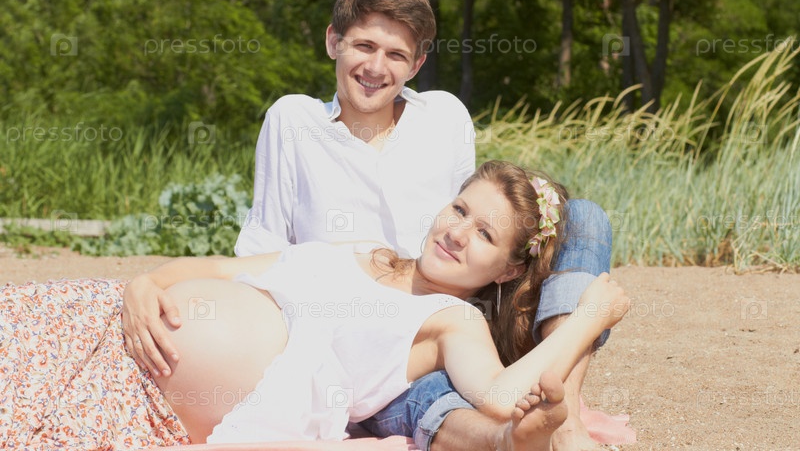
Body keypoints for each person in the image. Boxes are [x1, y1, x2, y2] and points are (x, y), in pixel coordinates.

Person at [126, 0, 614, 451]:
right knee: (428, 394)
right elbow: (263, 248)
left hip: (437, 314)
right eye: (363, 46)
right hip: (353, 325)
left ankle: (565, 414)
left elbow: (473, 216)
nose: (376, 67)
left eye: (396, 54)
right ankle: (500, 436)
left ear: (417, 64)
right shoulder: (293, 120)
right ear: (333, 41)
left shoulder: (444, 118)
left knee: (584, 217)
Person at [123, 160, 628, 450]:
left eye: (484, 234)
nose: (456, 233)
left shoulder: (454, 320)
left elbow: (498, 396)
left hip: (142, 400)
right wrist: (147, 283)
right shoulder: (363, 249)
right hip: (123, 330)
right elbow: (219, 268)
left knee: (586, 217)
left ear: (507, 272)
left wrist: (588, 319)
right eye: (459, 209)